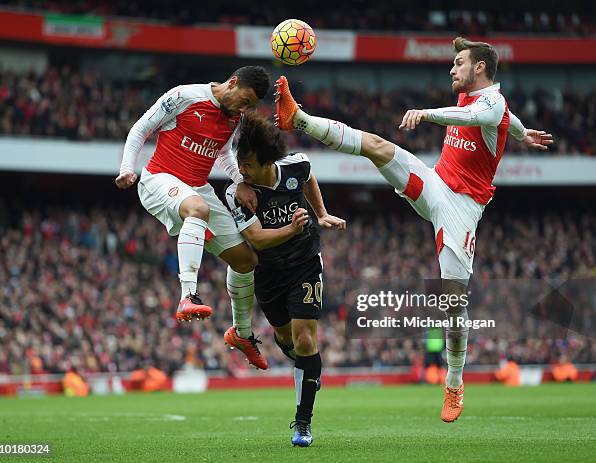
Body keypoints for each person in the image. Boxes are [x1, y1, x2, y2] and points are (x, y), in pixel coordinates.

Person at [274, 37, 554, 422]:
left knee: (454, 302)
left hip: (462, 208)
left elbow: (481, 117)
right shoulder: (489, 103)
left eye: (458, 63)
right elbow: (509, 121)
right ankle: (298, 118)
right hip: (435, 184)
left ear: (480, 69)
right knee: (376, 146)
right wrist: (524, 135)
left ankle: (454, 382)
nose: (452, 70)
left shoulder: (490, 105)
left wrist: (426, 113)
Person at [116, 66, 271, 369]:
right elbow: (141, 128)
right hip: (159, 178)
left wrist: (240, 180)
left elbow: (223, 154)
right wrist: (127, 167)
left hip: (197, 187)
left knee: (246, 261)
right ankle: (188, 295)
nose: (245, 109)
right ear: (233, 82)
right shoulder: (184, 96)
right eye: (245, 100)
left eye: (251, 106)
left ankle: (241, 334)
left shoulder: (234, 116)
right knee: (197, 208)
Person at [223, 112, 345, 446]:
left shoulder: (296, 165)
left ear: (267, 161)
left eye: (247, 165)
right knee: (286, 338)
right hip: (269, 273)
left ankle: (302, 423)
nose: (241, 171)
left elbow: (308, 178)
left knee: (305, 339)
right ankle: (310, 371)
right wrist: (291, 227)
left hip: (305, 264)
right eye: (239, 163)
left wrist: (321, 214)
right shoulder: (236, 194)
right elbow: (258, 240)